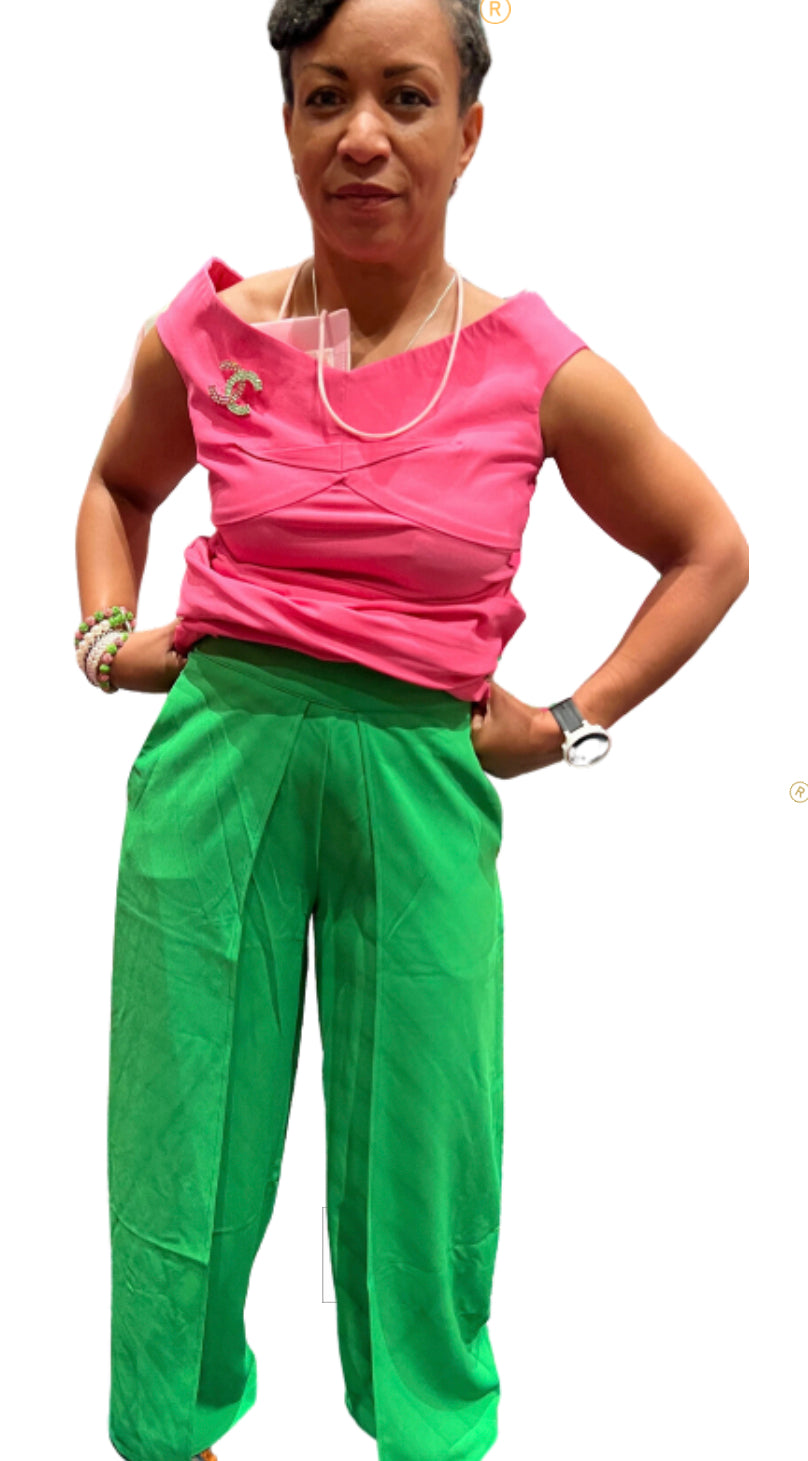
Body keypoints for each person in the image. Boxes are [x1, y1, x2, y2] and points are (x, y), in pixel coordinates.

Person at [74, 1, 749, 1459]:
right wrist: (106, 640)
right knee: (185, 1144)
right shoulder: (210, 336)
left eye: (405, 96)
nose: (363, 136)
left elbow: (708, 552)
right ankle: (169, 1431)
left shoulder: (535, 367)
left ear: (470, 129)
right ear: (287, 124)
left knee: (426, 1159)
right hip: (219, 767)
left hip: (423, 783)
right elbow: (119, 486)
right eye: (326, 98)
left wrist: (568, 721)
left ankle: (430, 1436)